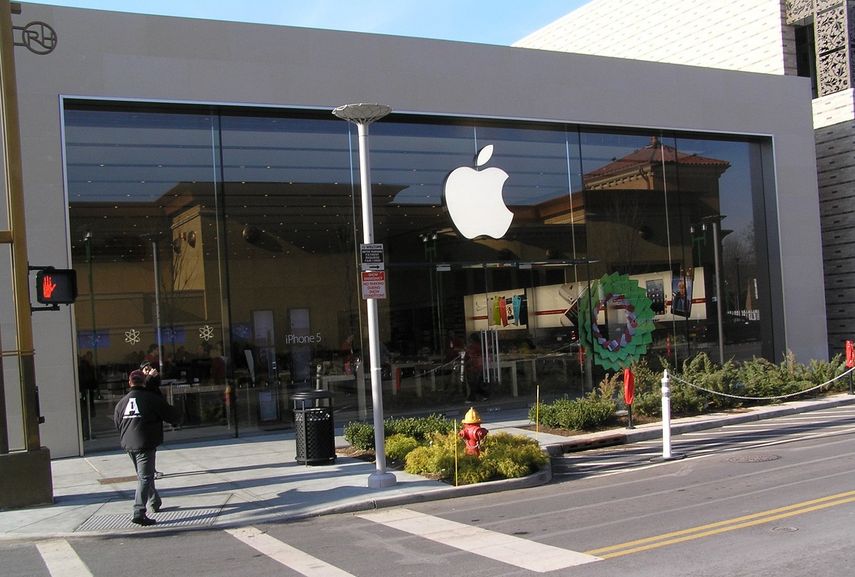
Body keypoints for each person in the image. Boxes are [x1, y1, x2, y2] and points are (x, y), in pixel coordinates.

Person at [113, 369, 182, 526]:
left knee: (144, 475)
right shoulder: (151, 399)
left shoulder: (121, 403)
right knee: (145, 477)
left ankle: (154, 502)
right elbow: (171, 415)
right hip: (145, 443)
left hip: (129, 444)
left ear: (130, 382)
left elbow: (117, 423)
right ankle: (139, 511)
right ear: (143, 381)